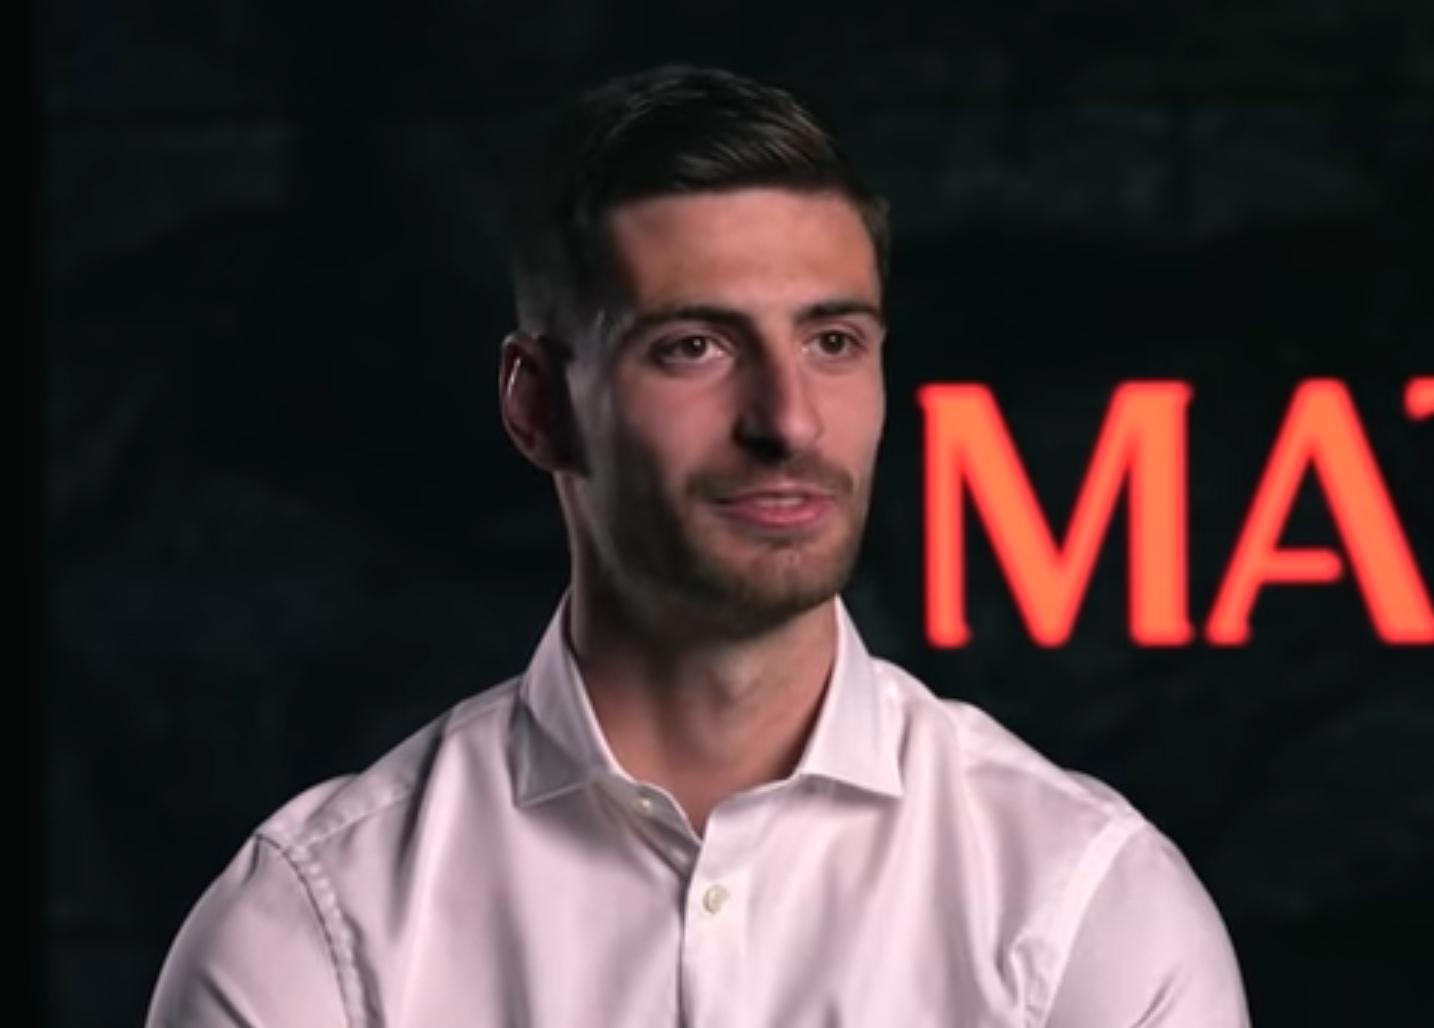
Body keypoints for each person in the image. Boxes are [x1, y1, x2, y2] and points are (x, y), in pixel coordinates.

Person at [146, 63, 1251, 1027]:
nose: (789, 420)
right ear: (537, 405)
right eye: (693, 346)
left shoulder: (1083, 899)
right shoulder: (314, 926)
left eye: (832, 340)